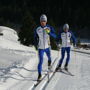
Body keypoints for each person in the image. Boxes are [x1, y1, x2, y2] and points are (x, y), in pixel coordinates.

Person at [34, 14, 56, 80]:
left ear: (46, 21)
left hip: (47, 47)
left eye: (44, 21)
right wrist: (35, 45)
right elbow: (35, 37)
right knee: (40, 61)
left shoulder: (49, 28)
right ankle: (39, 75)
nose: (43, 22)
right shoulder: (37, 29)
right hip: (40, 48)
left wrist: (49, 33)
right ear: (40, 21)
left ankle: (49, 62)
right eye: (41, 21)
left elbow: (55, 36)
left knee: (49, 57)